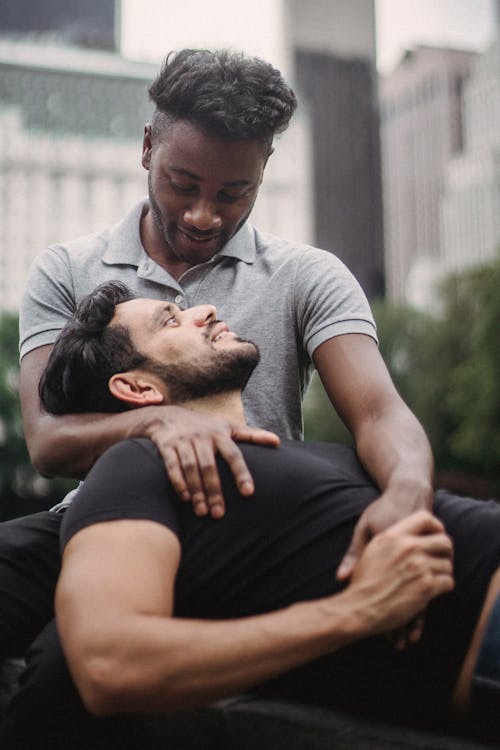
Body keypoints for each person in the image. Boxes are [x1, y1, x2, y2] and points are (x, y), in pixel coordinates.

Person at [4, 48, 433, 657]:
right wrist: (159, 421)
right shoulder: (67, 269)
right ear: (148, 147)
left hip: (254, 526)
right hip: (108, 523)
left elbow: (380, 414)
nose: (204, 215)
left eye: (235, 193)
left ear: (265, 169)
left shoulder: (308, 275)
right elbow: (46, 441)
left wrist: (407, 495)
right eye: (183, 185)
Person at [1, 281, 499, 750]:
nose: (206, 311)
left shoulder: (335, 456)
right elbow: (108, 663)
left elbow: (384, 414)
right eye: (170, 321)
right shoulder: (134, 467)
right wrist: (357, 612)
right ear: (136, 388)